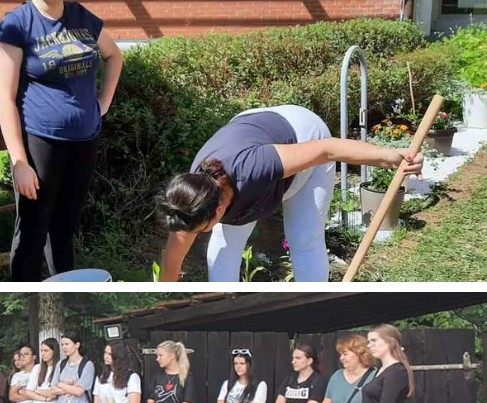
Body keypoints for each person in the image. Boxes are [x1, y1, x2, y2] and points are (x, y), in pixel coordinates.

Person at [156, 104, 425, 282]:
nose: (191, 234)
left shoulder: (254, 167)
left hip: (303, 135)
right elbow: (172, 259)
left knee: (304, 238)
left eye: (199, 229)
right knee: (225, 246)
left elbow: (326, 149)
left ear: (216, 210)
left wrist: (390, 157)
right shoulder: (190, 199)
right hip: (251, 130)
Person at [0, 0, 124, 281]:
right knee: (33, 228)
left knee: (64, 227)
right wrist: (19, 161)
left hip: (85, 139)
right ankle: (25, 296)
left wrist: (103, 102)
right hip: (41, 141)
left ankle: (64, 288)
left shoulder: (83, 18)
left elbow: (114, 55)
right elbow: (3, 99)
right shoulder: (16, 25)